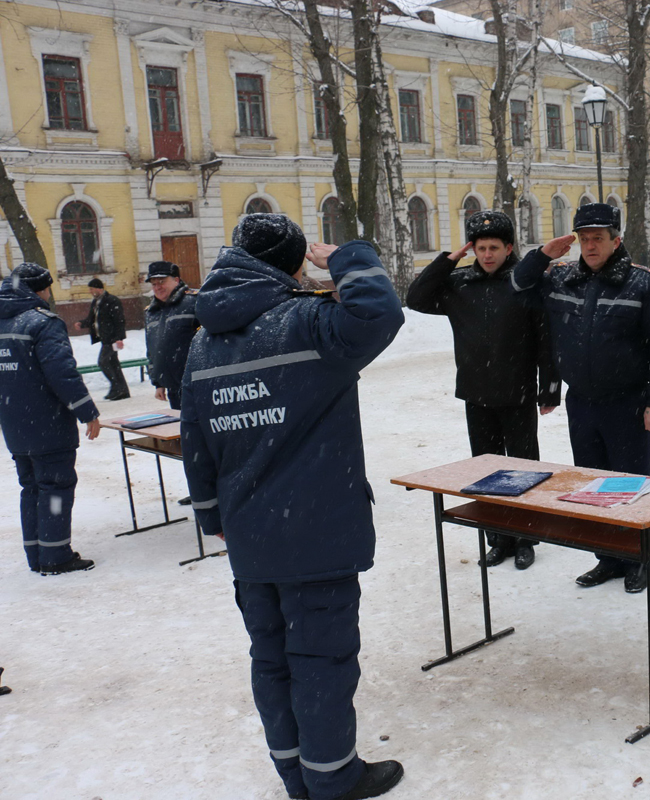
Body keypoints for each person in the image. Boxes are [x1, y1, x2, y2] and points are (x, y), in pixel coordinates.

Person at [180, 214, 405, 800]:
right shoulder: (306, 323)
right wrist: (350, 256)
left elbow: (195, 437)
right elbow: (379, 313)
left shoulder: (204, 340)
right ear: (294, 261)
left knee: (273, 658)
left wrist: (210, 515)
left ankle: (294, 773)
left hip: (252, 534)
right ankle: (332, 778)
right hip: (316, 530)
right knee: (322, 658)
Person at [511, 203, 650, 593]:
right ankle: (607, 558)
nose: (590, 245)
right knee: (594, 485)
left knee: (629, 485)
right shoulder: (562, 278)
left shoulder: (643, 283)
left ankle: (637, 558)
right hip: (583, 402)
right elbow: (518, 286)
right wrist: (541, 255)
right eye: (584, 239)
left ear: (616, 240)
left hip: (628, 403)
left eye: (598, 238)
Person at [406, 210, 560, 570]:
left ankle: (525, 537)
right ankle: (498, 537)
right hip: (476, 392)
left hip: (517, 392)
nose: (487, 255)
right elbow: (416, 298)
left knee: (523, 470)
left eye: (494, 247)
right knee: (486, 474)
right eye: (480, 248)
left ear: (509, 248)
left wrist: (549, 388)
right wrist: (447, 261)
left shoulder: (524, 283)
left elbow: (545, 340)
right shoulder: (459, 285)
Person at [0, 262, 101, 575]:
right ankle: (56, 556)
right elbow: (61, 373)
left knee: (31, 488)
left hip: (16, 426)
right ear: (39, 289)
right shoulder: (42, 323)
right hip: (47, 424)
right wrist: (87, 411)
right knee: (55, 487)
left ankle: (37, 554)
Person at [143, 260, 200, 410]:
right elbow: (153, 350)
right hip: (173, 387)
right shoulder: (151, 313)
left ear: (176, 280)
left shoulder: (194, 302)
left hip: (197, 382)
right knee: (181, 429)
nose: (157, 287)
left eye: (162, 281)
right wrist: (158, 382)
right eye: (154, 284)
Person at [74, 277, 129, 400]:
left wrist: (119, 338)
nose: (90, 291)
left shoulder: (112, 300)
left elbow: (119, 320)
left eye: (92, 289)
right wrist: (82, 324)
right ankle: (122, 390)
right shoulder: (96, 302)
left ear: (99, 289)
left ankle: (117, 388)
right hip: (104, 338)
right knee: (113, 364)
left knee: (103, 362)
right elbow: (92, 319)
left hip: (112, 338)